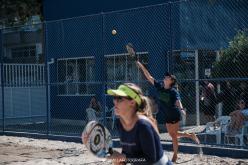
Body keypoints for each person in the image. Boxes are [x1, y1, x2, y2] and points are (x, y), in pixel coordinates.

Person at [136, 61, 199, 163]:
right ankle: (190, 135)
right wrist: (141, 66)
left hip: (174, 114)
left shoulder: (173, 91)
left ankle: (175, 155)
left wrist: (182, 109)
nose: (165, 77)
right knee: (173, 134)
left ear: (171, 81)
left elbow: (178, 101)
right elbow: (149, 77)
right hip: (167, 116)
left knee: (173, 136)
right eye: (165, 77)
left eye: (168, 77)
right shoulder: (160, 87)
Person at [107, 83, 171, 165]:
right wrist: (122, 161)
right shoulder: (120, 123)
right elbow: (128, 150)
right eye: (114, 97)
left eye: (119, 98)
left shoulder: (143, 125)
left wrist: (124, 157)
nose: (115, 101)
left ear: (132, 102)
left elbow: (150, 159)